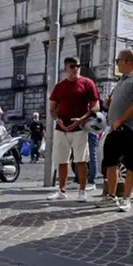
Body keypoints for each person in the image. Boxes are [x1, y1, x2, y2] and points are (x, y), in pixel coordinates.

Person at [97, 49, 133, 212]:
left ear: (126, 61)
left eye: (117, 60)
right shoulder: (122, 79)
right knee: (111, 163)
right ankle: (111, 196)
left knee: (131, 165)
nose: (116, 64)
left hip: (130, 129)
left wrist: (121, 119)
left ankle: (126, 198)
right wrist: (108, 104)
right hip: (114, 129)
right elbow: (114, 100)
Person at [47, 56, 101, 202]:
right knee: (62, 160)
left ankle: (82, 191)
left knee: (81, 160)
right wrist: (58, 120)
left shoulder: (87, 83)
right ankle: (61, 190)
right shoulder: (59, 86)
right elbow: (52, 109)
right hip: (61, 128)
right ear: (65, 68)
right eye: (72, 66)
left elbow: (96, 106)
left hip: (80, 128)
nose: (76, 68)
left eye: (78, 66)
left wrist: (83, 118)